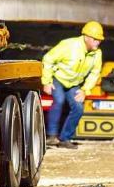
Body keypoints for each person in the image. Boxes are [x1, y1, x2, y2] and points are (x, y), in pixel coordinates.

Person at [41, 21, 104, 149]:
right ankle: (51, 136)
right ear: (86, 37)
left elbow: (95, 73)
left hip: (73, 84)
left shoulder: (97, 53)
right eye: (95, 39)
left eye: (99, 40)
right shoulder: (69, 45)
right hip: (58, 79)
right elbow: (48, 59)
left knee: (78, 108)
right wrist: (47, 81)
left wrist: (85, 90)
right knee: (59, 100)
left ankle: (65, 139)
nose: (97, 42)